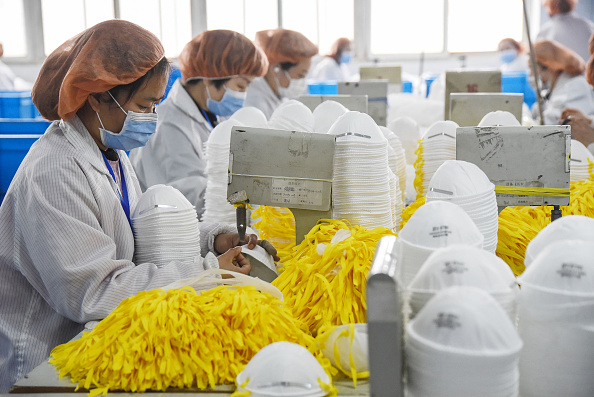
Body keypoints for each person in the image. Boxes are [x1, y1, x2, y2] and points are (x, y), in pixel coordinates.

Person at [0, 21, 274, 391]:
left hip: (94, 341)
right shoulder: (55, 170)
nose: (152, 118)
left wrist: (215, 239)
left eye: (156, 105)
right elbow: (94, 292)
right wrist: (209, 273)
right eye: (145, 105)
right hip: (43, 361)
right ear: (97, 96)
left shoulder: (110, 152)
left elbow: (147, 227)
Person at [129, 30, 267, 219]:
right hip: (176, 232)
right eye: (240, 86)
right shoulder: (168, 127)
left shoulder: (212, 115)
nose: (242, 96)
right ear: (211, 78)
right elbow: (189, 199)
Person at [244, 29, 318, 118]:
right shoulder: (254, 101)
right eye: (300, 75)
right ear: (275, 69)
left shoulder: (280, 97)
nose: (303, 83)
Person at [530, 39, 594, 125]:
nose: (530, 74)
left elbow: (553, 122)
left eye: (532, 68)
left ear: (548, 66)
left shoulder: (575, 85)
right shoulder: (556, 87)